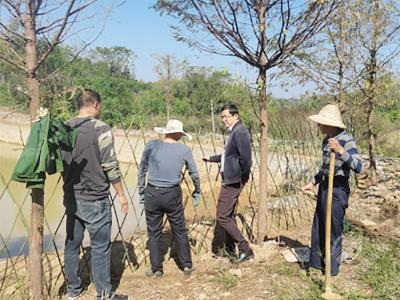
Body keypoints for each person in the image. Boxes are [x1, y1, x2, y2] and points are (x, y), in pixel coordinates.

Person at [61, 89, 128, 300]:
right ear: (95, 104)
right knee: (100, 247)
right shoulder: (101, 129)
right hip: (95, 198)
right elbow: (110, 165)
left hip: (72, 196)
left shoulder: (64, 128)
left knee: (72, 245)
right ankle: (104, 294)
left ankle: (73, 290)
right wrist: (121, 194)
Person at [301, 104, 362, 276]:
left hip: (338, 189)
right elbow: (325, 168)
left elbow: (359, 166)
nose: (318, 126)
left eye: (320, 123)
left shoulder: (346, 140)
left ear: (329, 124)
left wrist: (341, 151)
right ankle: (319, 265)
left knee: (334, 229)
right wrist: (312, 182)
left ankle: (332, 270)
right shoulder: (326, 141)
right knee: (320, 226)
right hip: (325, 188)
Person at [138, 119, 201, 277]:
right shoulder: (184, 150)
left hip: (152, 192)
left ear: (166, 132)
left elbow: (142, 169)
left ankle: (156, 268)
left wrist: (141, 191)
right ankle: (186, 265)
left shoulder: (152, 146)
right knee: (179, 230)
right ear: (178, 133)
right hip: (172, 193)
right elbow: (194, 172)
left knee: (153, 232)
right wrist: (197, 190)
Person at [203, 103, 254, 263]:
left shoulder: (240, 132)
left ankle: (245, 248)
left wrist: (242, 177)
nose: (223, 120)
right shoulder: (234, 132)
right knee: (228, 214)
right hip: (231, 179)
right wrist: (212, 159)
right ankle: (231, 248)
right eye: (222, 117)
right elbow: (229, 156)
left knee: (222, 216)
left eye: (226, 116)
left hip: (234, 180)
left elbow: (246, 159)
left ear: (235, 116)